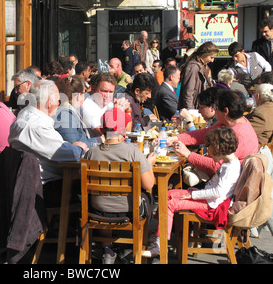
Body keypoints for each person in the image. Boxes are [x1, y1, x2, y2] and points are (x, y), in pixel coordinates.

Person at [143, 127, 241, 258]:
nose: (209, 154)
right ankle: (158, 234)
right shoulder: (229, 163)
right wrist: (196, 193)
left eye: (210, 149)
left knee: (169, 204)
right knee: (166, 194)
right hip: (208, 198)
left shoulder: (231, 168)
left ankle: (160, 244)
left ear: (219, 148)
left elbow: (218, 192)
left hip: (211, 205)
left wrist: (193, 194)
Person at [84, 107, 156, 263]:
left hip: (98, 209)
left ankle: (107, 248)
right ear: (124, 128)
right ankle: (145, 243)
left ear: (103, 128)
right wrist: (148, 164)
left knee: (104, 198)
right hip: (128, 210)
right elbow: (149, 183)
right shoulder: (132, 152)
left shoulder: (91, 153)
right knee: (149, 198)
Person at [8, 80, 88, 207]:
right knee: (92, 189)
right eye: (58, 100)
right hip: (43, 189)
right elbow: (69, 155)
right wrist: (80, 148)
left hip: (30, 185)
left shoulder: (25, 117)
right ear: (49, 102)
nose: (58, 103)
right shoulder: (36, 125)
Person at [171, 90, 258, 179]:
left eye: (216, 106)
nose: (214, 109)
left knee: (175, 181)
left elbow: (216, 166)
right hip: (218, 178)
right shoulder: (231, 121)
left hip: (227, 184)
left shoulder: (237, 134)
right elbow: (204, 134)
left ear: (226, 111)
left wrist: (188, 154)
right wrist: (174, 139)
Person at [54, 76, 103, 147]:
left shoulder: (68, 111)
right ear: (78, 95)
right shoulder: (65, 114)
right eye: (84, 92)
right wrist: (98, 140)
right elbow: (73, 145)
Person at [80, 72, 131, 137]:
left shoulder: (110, 104)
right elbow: (110, 136)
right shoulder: (87, 106)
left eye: (111, 92)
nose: (107, 95)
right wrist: (117, 111)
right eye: (104, 91)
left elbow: (128, 133)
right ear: (93, 90)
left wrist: (128, 110)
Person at [178, 41, 218, 110]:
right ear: (205, 54)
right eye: (211, 57)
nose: (212, 61)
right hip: (193, 109)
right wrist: (191, 112)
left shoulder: (204, 67)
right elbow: (188, 93)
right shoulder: (193, 67)